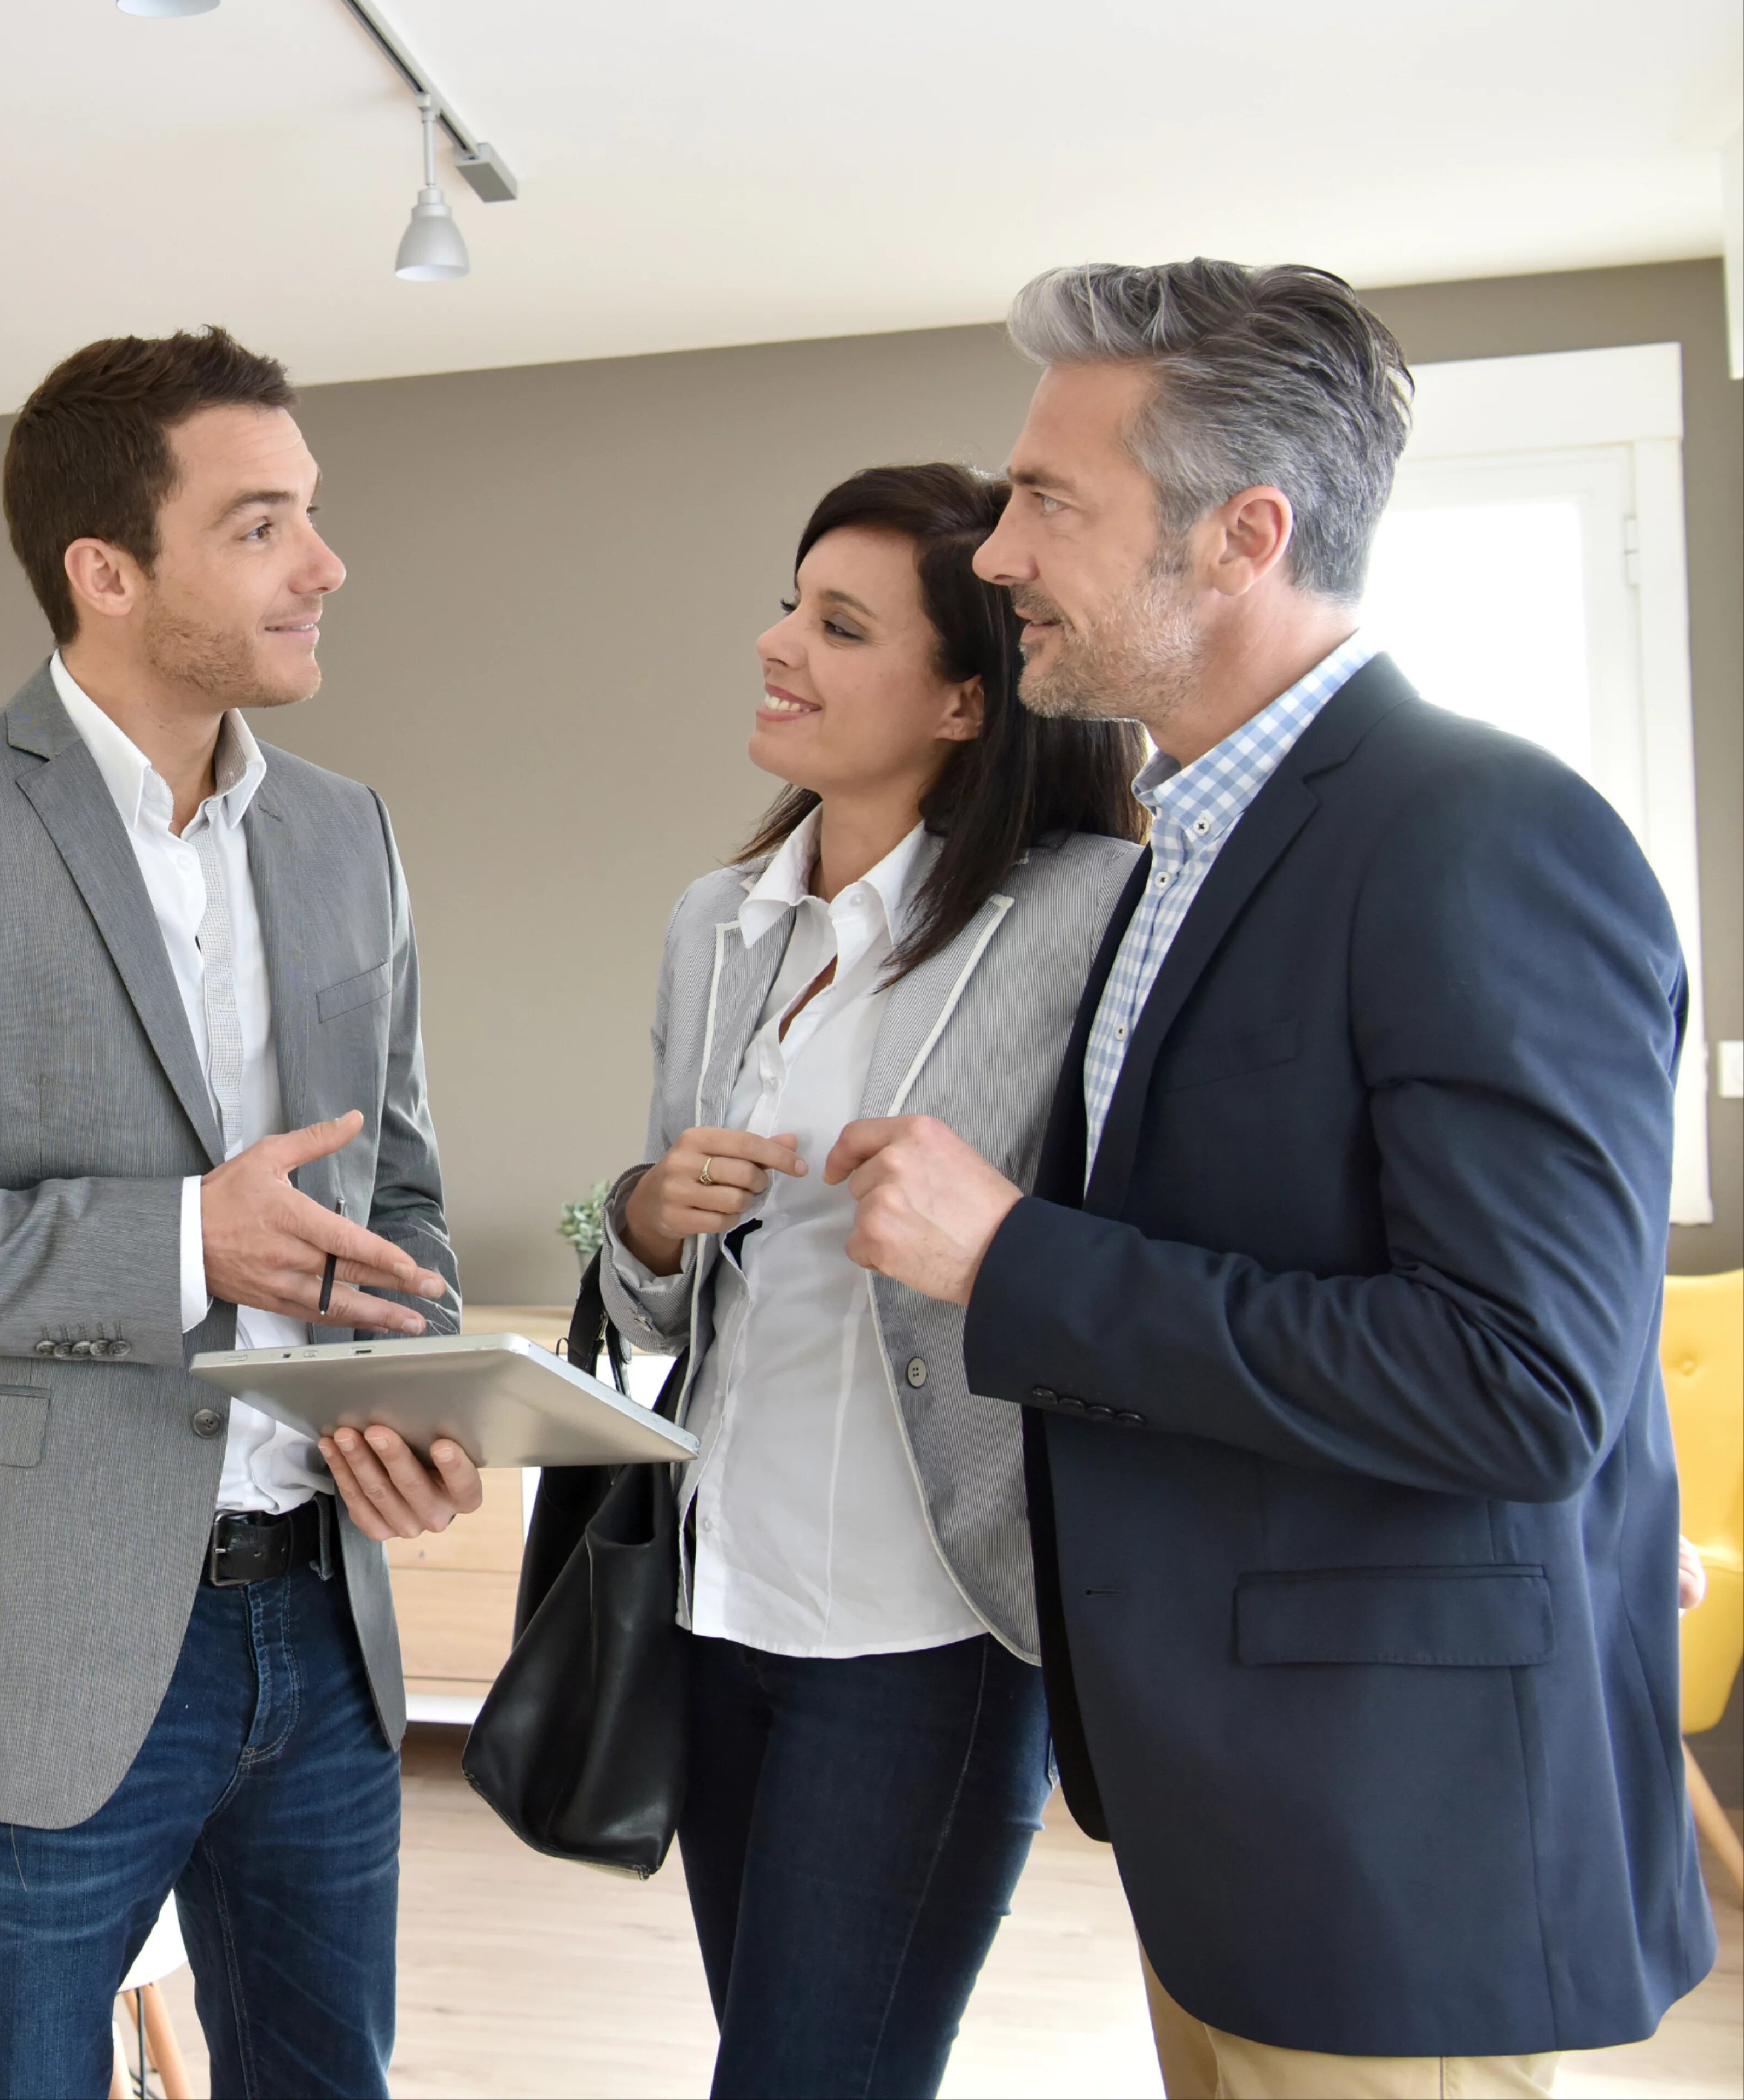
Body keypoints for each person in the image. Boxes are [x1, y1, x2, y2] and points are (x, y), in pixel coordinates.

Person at [824, 261, 1717, 2099]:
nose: (994, 555)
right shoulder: (1189, 846)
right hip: (1234, 1813)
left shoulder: (1484, 835)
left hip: (1393, 1841)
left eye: (1049, 504)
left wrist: (1015, 1263)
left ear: (1243, 535)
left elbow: (1523, 1384)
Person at [0, 326, 483, 2099]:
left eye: (316, 516)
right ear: (108, 571)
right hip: (28, 1655)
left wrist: (416, 1387)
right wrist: (170, 1245)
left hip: (323, 1630)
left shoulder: (346, 833)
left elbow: (404, 1197)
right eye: (265, 523)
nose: (326, 564)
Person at [599, 463, 1146, 2099]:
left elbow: (1147, 1261)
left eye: (839, 626)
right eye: (790, 602)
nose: (778, 645)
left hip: (933, 1631)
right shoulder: (717, 925)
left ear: (971, 698)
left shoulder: (1093, 915)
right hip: (716, 1603)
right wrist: (631, 1222)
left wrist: (985, 1237)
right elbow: (630, 1277)